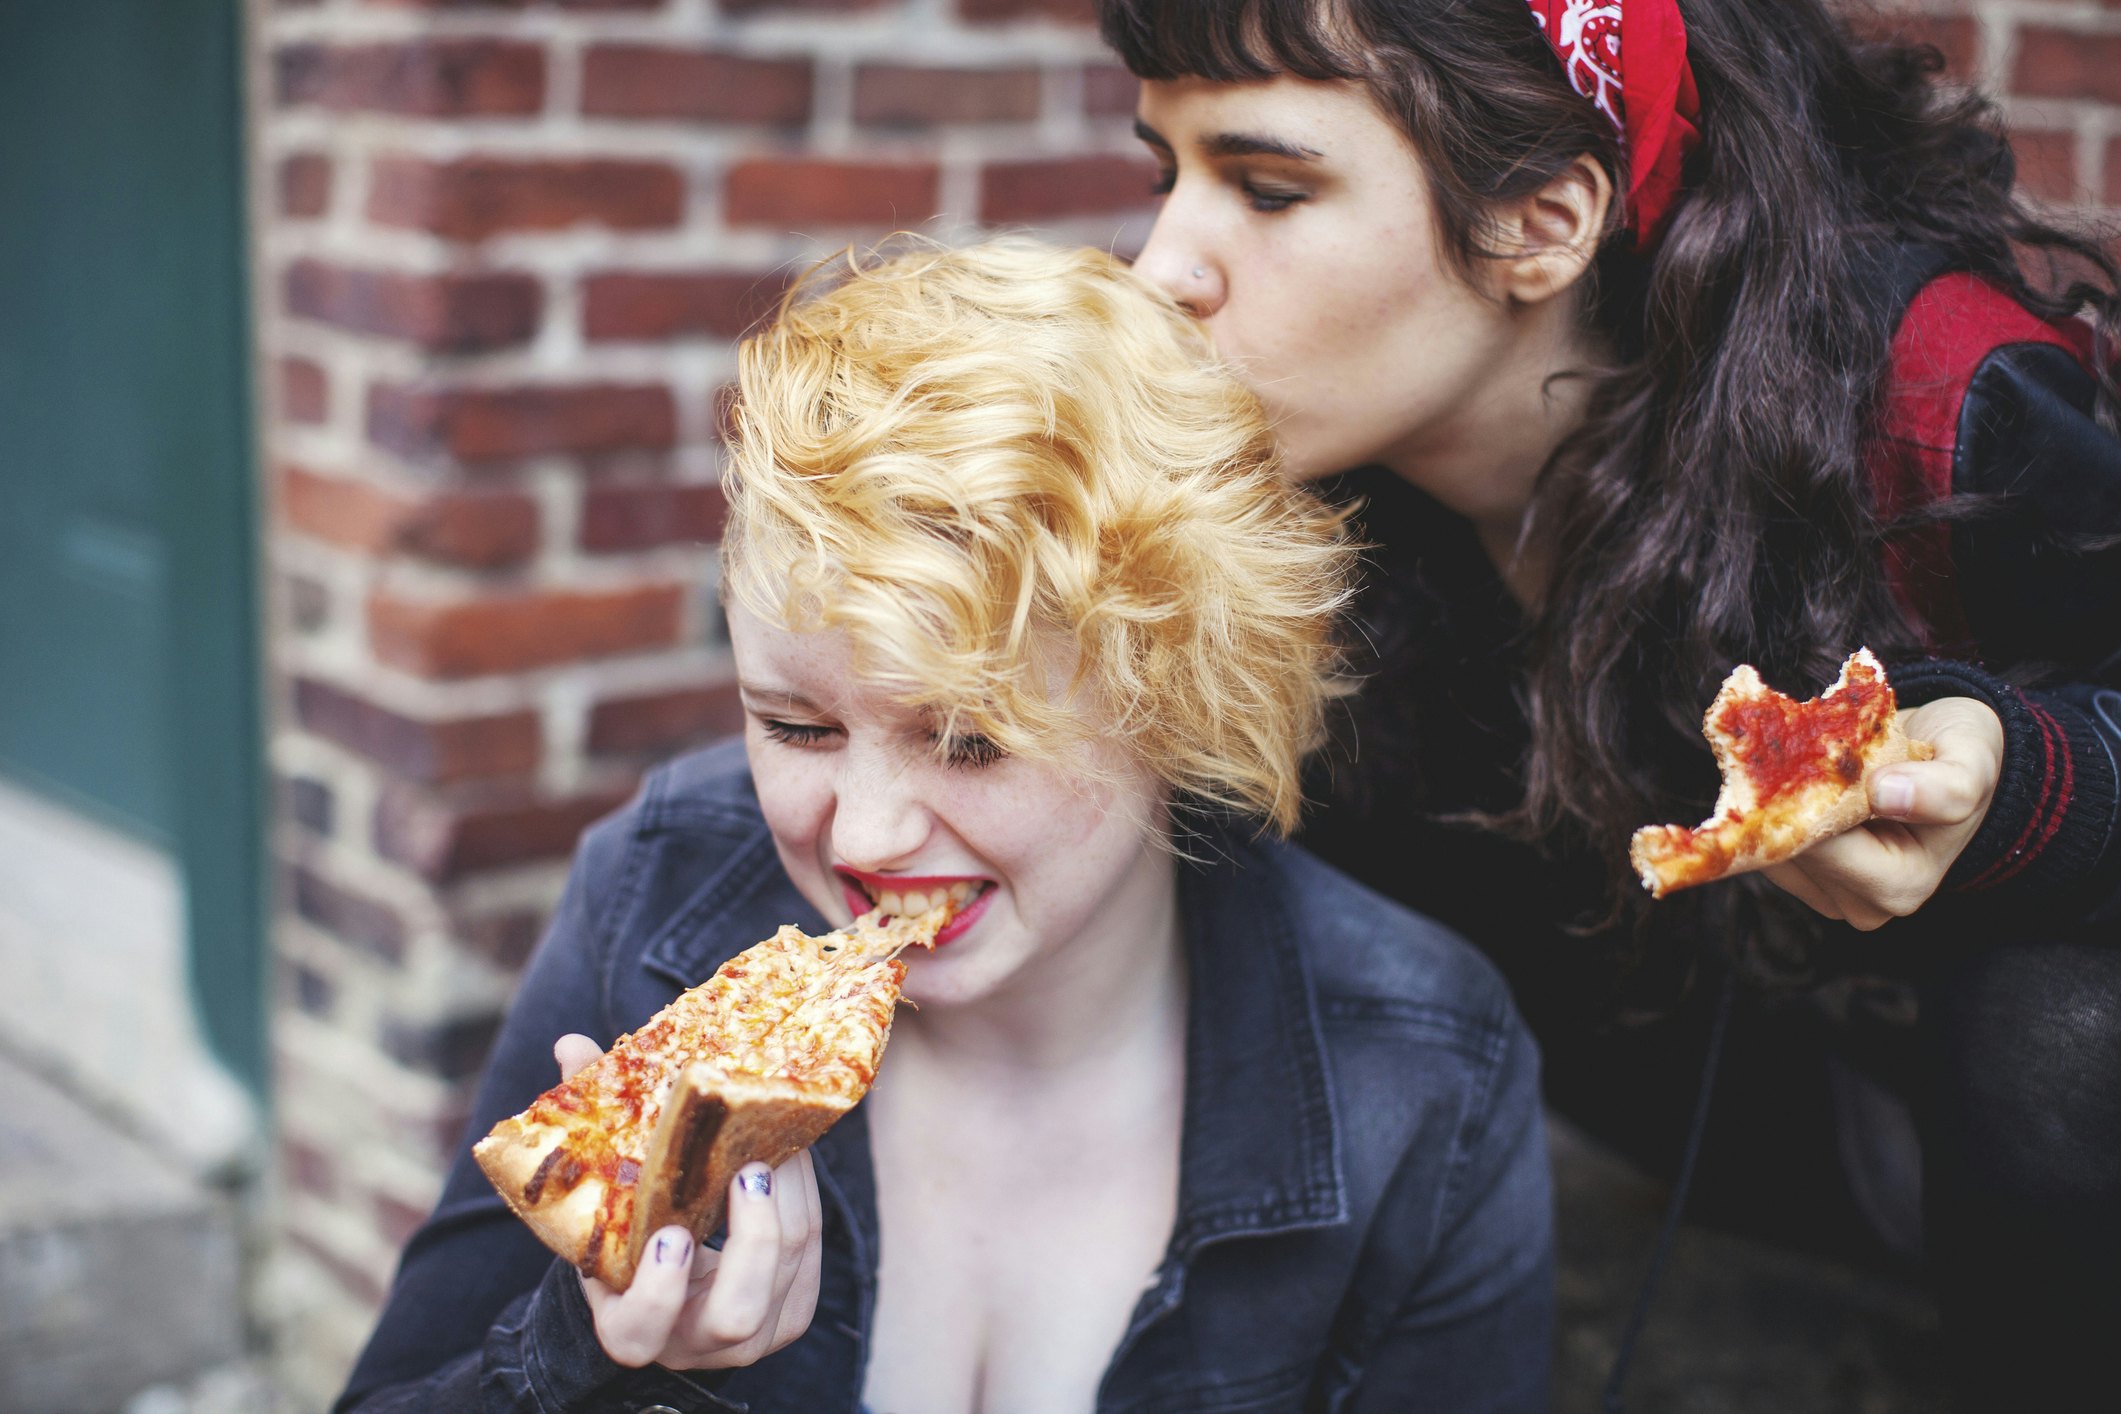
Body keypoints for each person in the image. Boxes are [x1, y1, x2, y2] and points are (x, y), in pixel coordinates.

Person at [1096, 0, 2121, 1405]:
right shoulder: (1297, 484)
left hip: (2039, 1125)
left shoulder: (1933, 395)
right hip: (1747, 1105)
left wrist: (2019, 779)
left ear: (1541, 221)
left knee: (2049, 1010)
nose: (1161, 268)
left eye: (1269, 187)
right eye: (1167, 172)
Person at [334, 238, 1555, 1414]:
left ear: (1182, 706)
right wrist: (581, 1361)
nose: (862, 834)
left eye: (971, 740)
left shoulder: (1427, 1067)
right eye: (798, 727)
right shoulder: (654, 888)